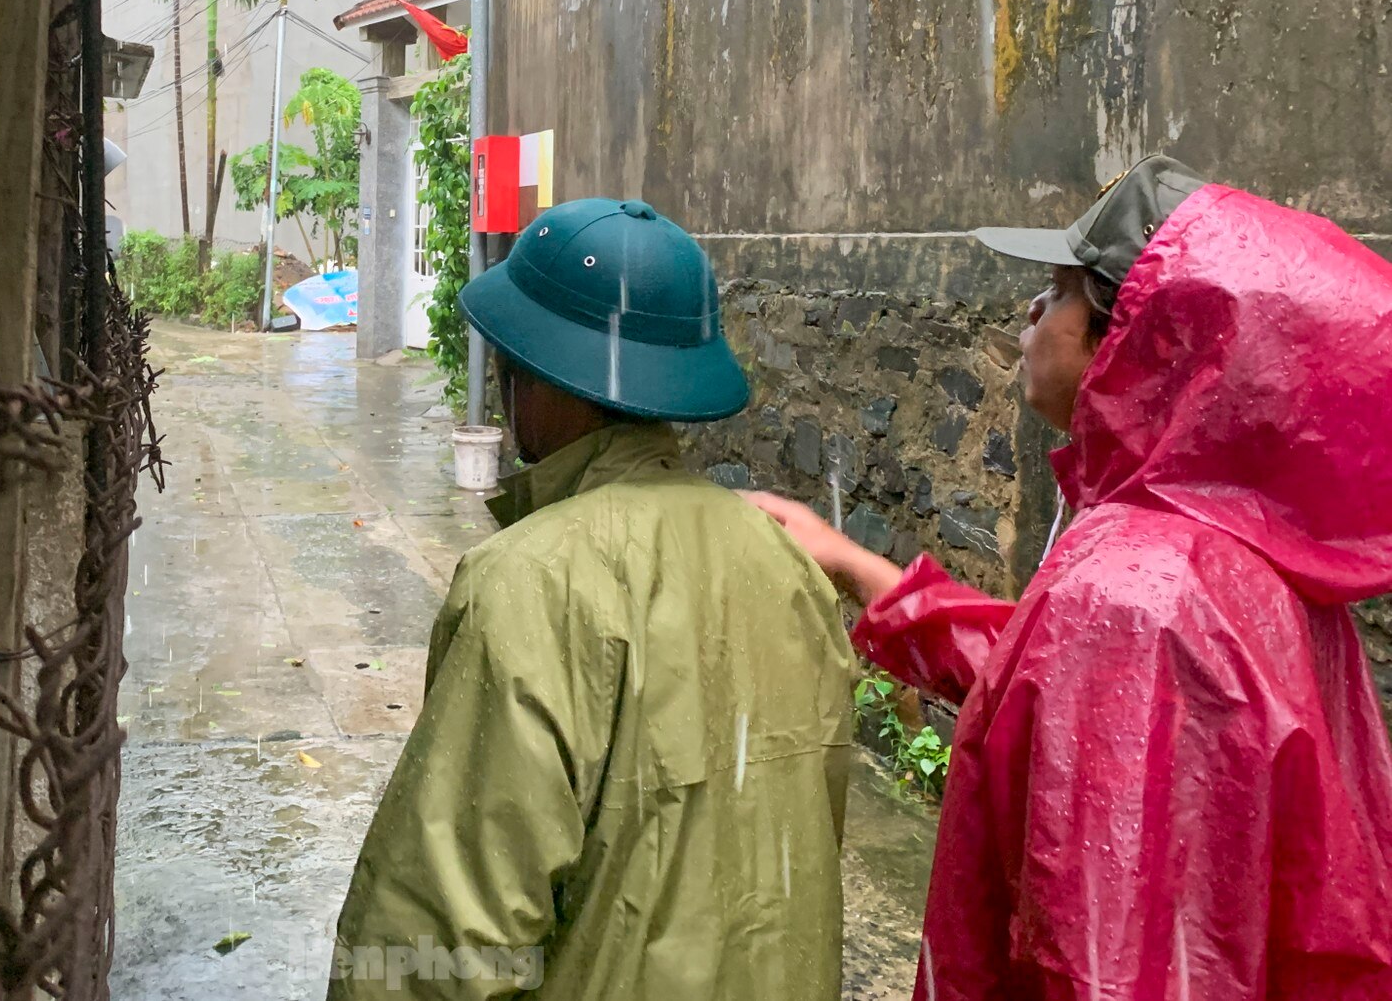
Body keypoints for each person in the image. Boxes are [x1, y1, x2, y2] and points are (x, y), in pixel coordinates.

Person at [755, 155, 1392, 1000]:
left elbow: (1105, 955)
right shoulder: (1229, 548)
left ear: (1136, 344)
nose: (1029, 310)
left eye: (1058, 291)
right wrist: (859, 569)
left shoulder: (1131, 596)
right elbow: (1058, 708)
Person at [329, 198, 856, 1000]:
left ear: (537, 382)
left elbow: (437, 942)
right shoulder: (788, 567)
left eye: (509, 366)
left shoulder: (528, 584)